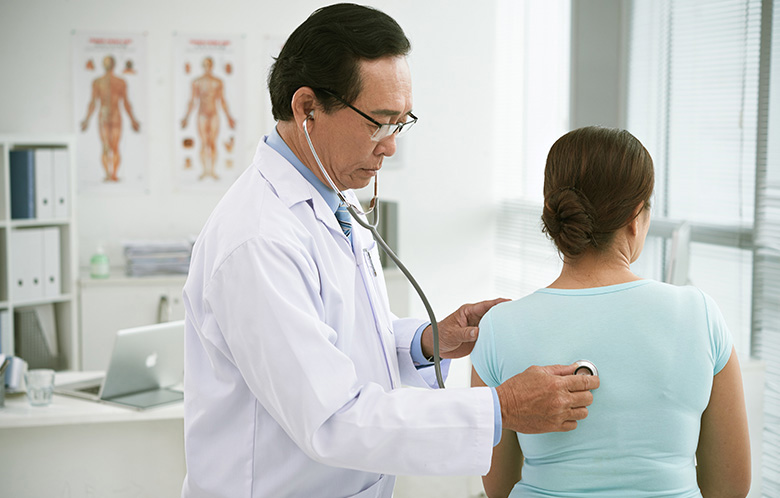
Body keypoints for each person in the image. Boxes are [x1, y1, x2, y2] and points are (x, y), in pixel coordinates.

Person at [181, 4, 598, 498]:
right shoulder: (257, 240)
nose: (390, 147)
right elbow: (333, 419)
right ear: (306, 107)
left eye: (401, 123)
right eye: (378, 123)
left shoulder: (333, 196)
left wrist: (426, 341)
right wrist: (500, 408)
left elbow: (340, 337)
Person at [471, 126, 751, 498]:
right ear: (636, 217)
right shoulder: (699, 314)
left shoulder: (497, 328)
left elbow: (499, 487)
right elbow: (729, 488)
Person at [80, 54, 141, 182]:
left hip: (112, 116)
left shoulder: (118, 82)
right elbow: (93, 102)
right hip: (107, 116)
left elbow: (125, 102)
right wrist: (86, 119)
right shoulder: (100, 82)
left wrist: (133, 120)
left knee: (113, 146)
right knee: (108, 146)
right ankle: (109, 174)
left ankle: (112, 174)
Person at [181, 56, 236, 180]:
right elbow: (192, 101)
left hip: (214, 114)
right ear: (203, 66)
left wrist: (229, 118)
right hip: (202, 115)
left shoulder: (218, 82)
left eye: (209, 64)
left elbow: (222, 101)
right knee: (204, 142)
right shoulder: (197, 82)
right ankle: (205, 170)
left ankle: (212, 171)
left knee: (212, 143)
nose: (207, 67)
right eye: (205, 64)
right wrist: (186, 117)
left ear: (212, 66)